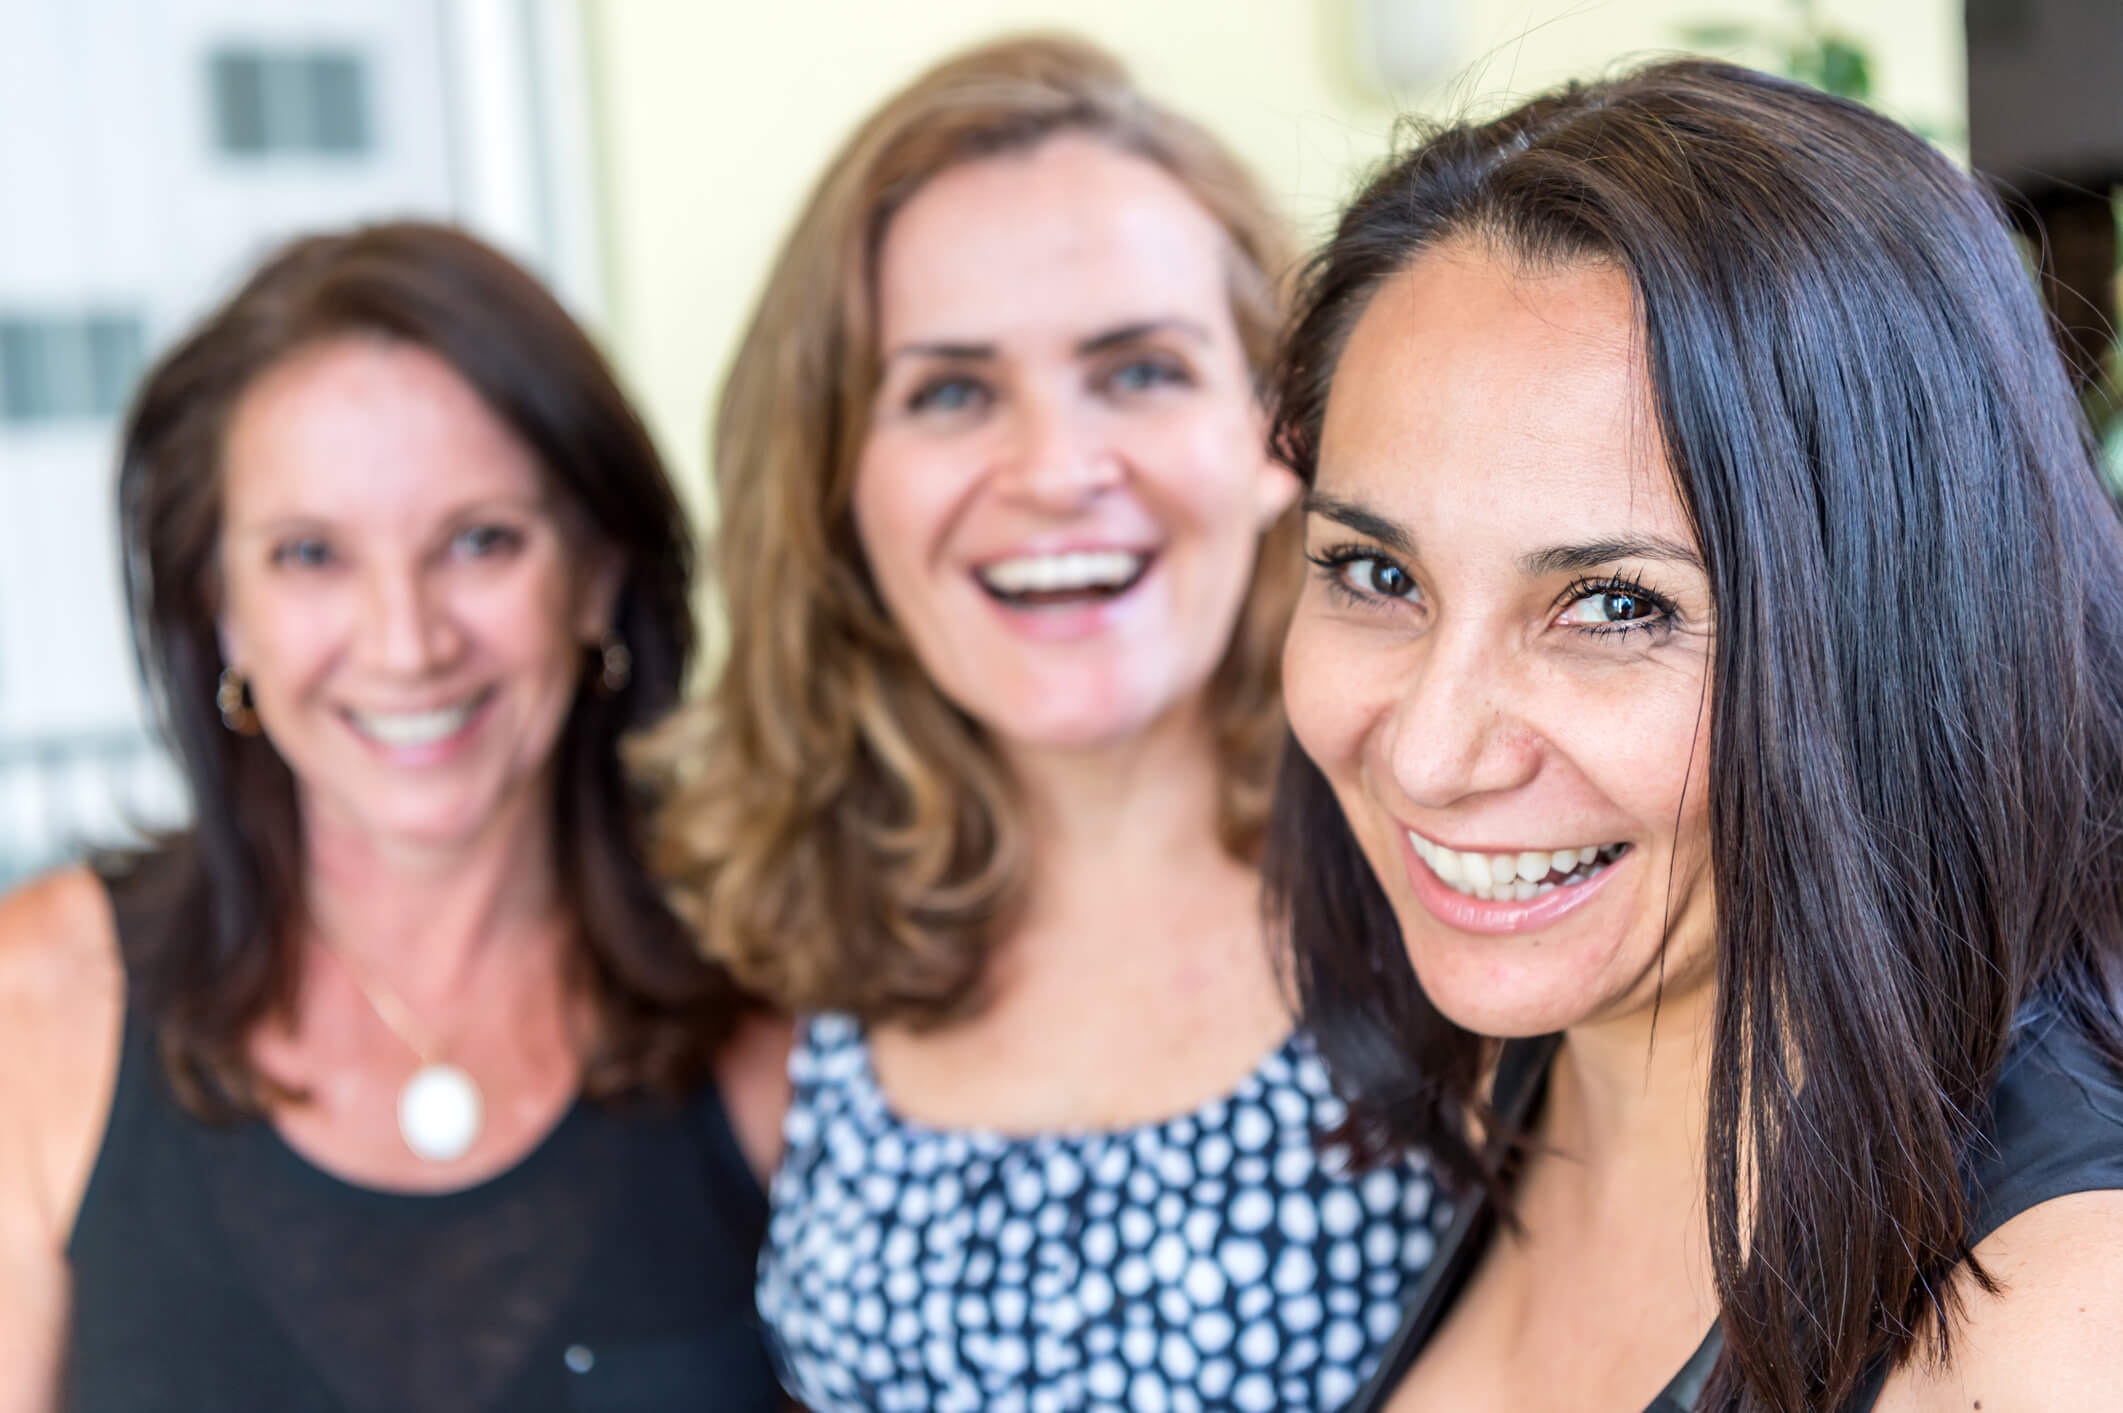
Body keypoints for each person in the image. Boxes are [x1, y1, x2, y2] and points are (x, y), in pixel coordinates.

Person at [1266, 58, 2123, 1413]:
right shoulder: (1507, 1063)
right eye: (1376, 575)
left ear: (1902, 629)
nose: (1427, 755)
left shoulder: (2051, 1331)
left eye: (1611, 604)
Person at [639, 34, 1445, 1413]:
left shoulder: (1441, 881)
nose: (1055, 471)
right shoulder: (792, 950)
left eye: (1136, 369)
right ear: (842, 484)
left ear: (1282, 439)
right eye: (949, 392)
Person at [0, 222, 786, 1413]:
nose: (408, 643)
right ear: (222, 608)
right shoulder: (37, 1009)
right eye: (311, 555)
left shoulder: (780, 1013)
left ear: (599, 576)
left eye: (480, 542)